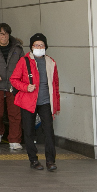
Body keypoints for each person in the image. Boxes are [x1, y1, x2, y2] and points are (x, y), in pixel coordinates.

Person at [10, 33, 60, 172]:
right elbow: (14, 79)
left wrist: (56, 105)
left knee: (49, 131)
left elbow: (55, 85)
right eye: (36, 45)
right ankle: (33, 160)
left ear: (45, 47)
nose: (39, 47)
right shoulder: (24, 61)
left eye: (41, 45)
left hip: (45, 102)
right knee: (29, 131)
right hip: (28, 102)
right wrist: (26, 87)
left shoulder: (51, 62)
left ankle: (50, 160)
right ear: (32, 47)